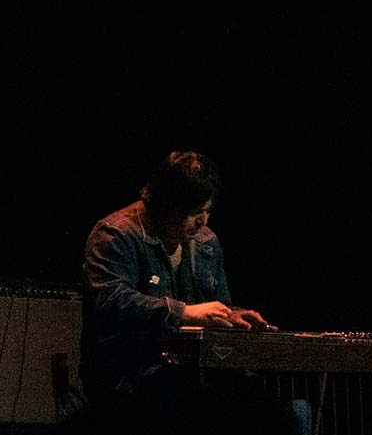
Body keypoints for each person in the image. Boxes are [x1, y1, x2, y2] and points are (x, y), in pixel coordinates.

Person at [81, 151, 271, 399]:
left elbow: (216, 303)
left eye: (206, 210)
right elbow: (112, 301)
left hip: (191, 376)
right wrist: (185, 313)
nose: (202, 221)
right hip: (129, 378)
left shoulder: (206, 241)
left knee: (281, 409)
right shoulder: (116, 235)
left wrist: (231, 315)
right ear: (165, 206)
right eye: (193, 213)